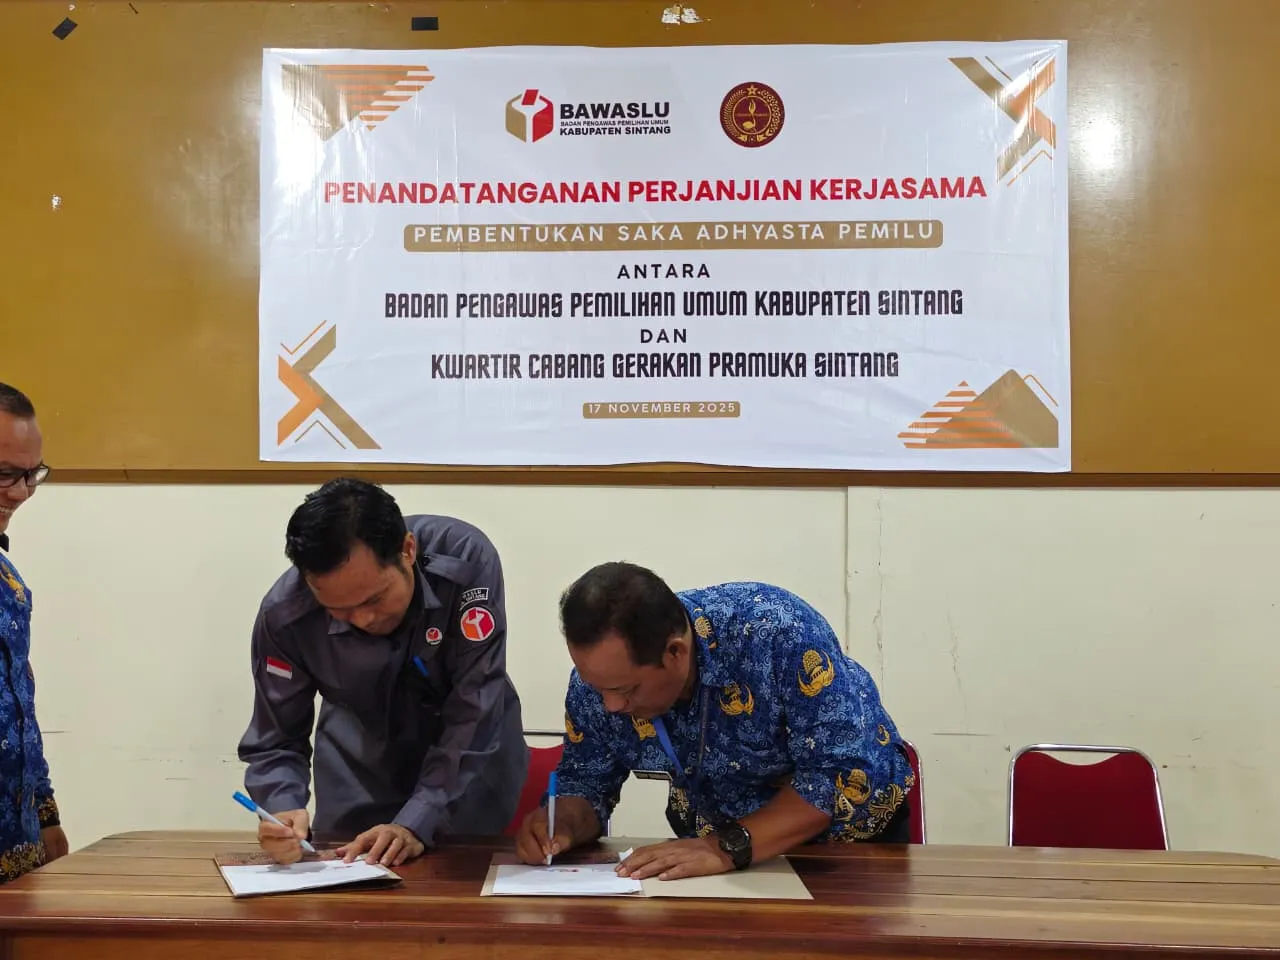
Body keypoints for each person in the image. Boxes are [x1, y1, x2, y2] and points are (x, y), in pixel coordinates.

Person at [516, 561, 915, 880]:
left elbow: (837, 776)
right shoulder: (598, 685)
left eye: (626, 690)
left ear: (675, 653)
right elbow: (586, 782)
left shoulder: (776, 634)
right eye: (596, 686)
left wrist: (725, 847)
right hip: (721, 859)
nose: (610, 705)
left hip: (848, 851)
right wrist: (562, 824)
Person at [238, 478, 528, 866]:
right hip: (359, 763)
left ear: (407, 550)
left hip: (467, 765)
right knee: (354, 884)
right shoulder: (285, 614)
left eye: (374, 599)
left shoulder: (464, 558)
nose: (363, 619)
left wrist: (416, 821)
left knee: (459, 886)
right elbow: (276, 737)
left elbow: (475, 705)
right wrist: (281, 805)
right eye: (339, 610)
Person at [0, 383, 69, 883]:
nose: (21, 493)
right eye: (5, 473)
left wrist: (46, 818)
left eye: (32, 474)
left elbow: (19, 711)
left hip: (17, 854)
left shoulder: (10, 583)